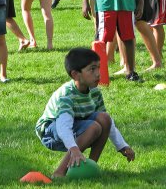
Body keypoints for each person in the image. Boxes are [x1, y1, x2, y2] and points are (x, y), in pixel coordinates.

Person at [35, 47, 135, 178]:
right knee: (94, 127)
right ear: (75, 74)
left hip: (76, 124)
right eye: (92, 69)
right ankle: (59, 172)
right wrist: (74, 148)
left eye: (98, 67)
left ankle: (90, 166)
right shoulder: (66, 95)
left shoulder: (95, 92)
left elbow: (108, 123)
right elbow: (63, 126)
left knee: (104, 118)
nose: (98, 73)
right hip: (51, 131)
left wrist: (122, 145)